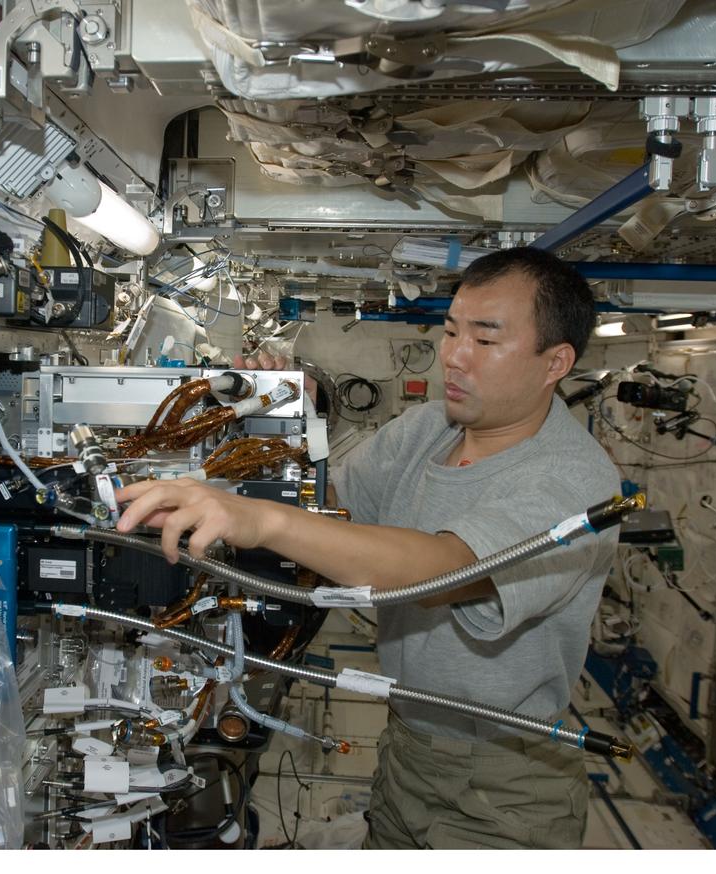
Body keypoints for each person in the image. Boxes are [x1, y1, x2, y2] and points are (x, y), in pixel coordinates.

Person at [115, 247, 619, 848]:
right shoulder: (427, 430)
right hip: (407, 742)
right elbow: (332, 511)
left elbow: (449, 571)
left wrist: (262, 520)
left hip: (506, 777)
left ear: (555, 362)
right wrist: (283, 420)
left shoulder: (573, 479)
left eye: (485, 340)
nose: (454, 356)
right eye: (450, 331)